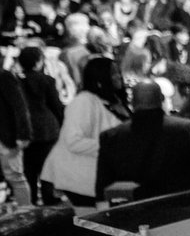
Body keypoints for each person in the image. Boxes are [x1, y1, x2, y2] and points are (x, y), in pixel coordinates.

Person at [95, 81, 190, 201]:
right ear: (161, 99)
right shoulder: (189, 130)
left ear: (132, 102)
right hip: (183, 212)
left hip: (133, 215)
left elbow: (103, 189)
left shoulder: (111, 138)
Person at [40, 57, 130, 206]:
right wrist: (113, 147)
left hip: (100, 179)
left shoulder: (115, 100)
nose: (118, 76)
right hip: (78, 181)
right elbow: (74, 141)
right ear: (100, 78)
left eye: (118, 72)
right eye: (113, 73)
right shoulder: (84, 102)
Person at [17, 45, 64, 205]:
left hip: (26, 129)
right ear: (39, 62)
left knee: (29, 167)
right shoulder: (47, 81)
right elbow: (56, 106)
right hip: (47, 128)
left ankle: (31, 199)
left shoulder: (17, 82)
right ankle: (48, 197)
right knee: (47, 165)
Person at [0, 58, 32, 206]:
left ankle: (25, 213)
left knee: (15, 176)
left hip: (7, 136)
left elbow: (20, 107)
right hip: (7, 136)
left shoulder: (5, 76)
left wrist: (23, 134)